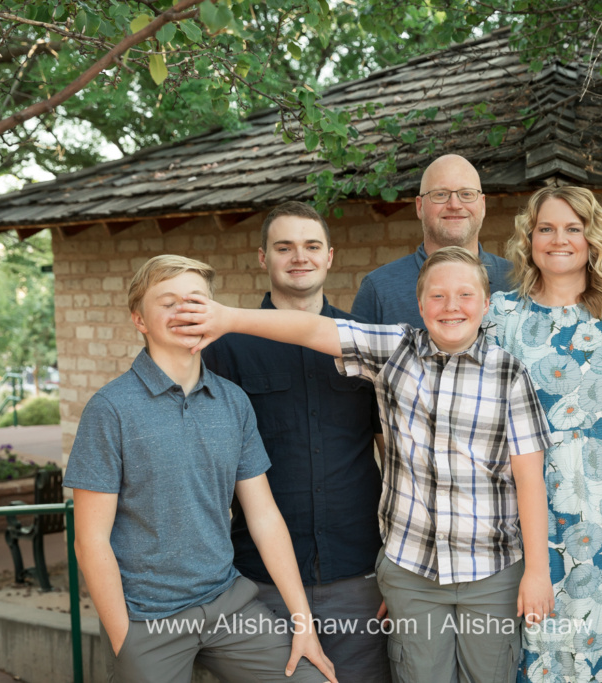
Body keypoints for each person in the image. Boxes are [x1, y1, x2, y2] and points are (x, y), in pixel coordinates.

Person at [172, 246, 554, 683]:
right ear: (419, 303)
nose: (451, 307)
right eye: (438, 296)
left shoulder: (510, 375)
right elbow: (311, 329)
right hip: (413, 573)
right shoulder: (395, 350)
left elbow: (529, 480)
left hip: (492, 572)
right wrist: (229, 319)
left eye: (466, 295)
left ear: (486, 304)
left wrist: (537, 572)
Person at [65, 255, 336, 683]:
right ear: (139, 319)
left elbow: (264, 516)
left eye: (195, 300)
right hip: (148, 617)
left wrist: (303, 621)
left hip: (227, 602)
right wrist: (125, 641)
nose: (184, 311)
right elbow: (90, 540)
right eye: (168, 302)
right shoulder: (110, 409)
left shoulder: (233, 401)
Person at [201, 202, 389, 683]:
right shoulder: (226, 347)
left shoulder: (363, 341)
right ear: (263, 258)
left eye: (310, 246)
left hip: (358, 571)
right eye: (284, 247)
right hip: (260, 580)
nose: (298, 257)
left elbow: (391, 452)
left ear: (330, 257)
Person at [483, 186, 602, 682]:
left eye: (573, 228)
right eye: (546, 229)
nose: (559, 240)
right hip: (531, 523)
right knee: (540, 656)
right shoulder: (501, 317)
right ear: (529, 239)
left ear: (593, 239)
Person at [351, 154, 512, 326]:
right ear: (419, 207)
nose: (455, 205)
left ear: (483, 205)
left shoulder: (518, 280)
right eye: (440, 194)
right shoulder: (379, 290)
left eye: (466, 194)